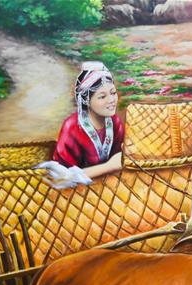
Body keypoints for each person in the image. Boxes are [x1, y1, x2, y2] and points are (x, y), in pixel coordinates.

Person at [37, 61, 126, 189]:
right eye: (102, 96)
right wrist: (109, 166)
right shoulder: (72, 128)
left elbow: (120, 159)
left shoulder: (114, 122)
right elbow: (63, 177)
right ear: (86, 100)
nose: (111, 100)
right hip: (76, 195)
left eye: (113, 93)